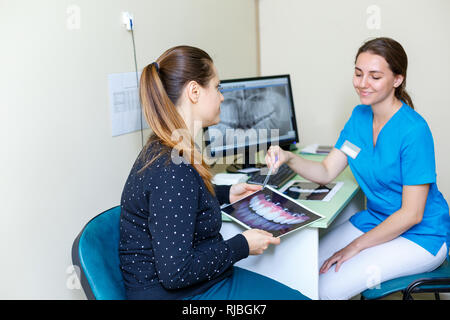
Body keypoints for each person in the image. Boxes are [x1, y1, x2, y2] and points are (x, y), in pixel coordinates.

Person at [118, 45, 309, 300]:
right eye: (217, 87)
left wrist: (226, 193)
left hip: (203, 283)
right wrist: (243, 245)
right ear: (194, 91)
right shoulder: (173, 169)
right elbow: (176, 273)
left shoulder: (168, 147)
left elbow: (178, 203)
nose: (221, 97)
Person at [265, 37, 450, 300]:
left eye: (374, 76)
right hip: (376, 220)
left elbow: (411, 214)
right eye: (358, 73)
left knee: (327, 289)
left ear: (397, 79)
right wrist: (287, 157)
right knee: (303, 270)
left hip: (421, 236)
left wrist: (355, 247)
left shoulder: (413, 131)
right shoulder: (359, 116)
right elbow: (327, 172)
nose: (362, 84)